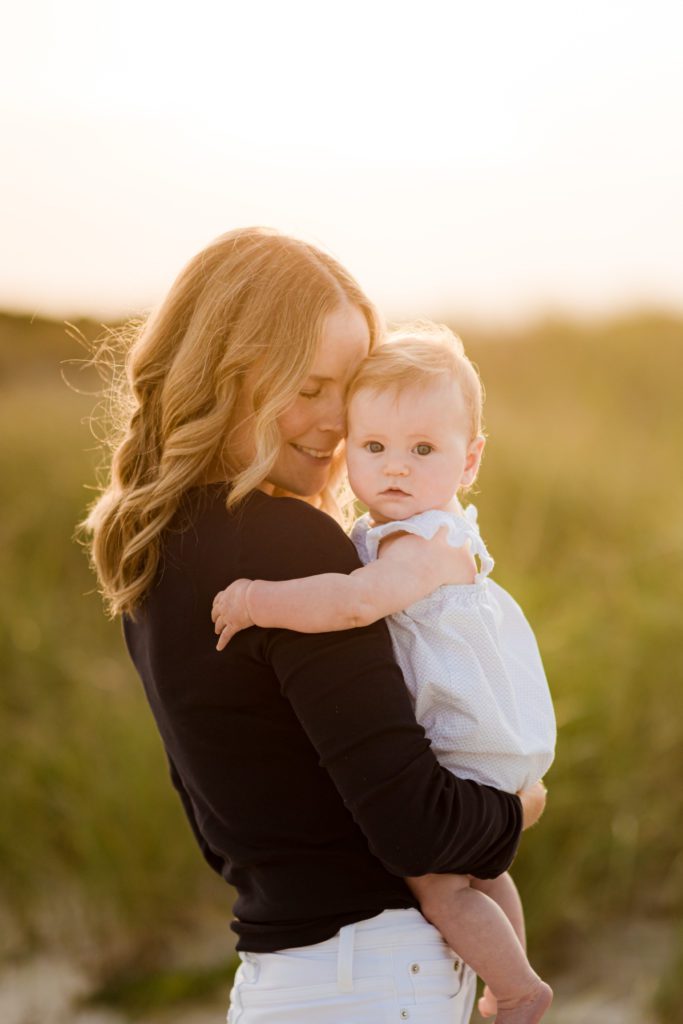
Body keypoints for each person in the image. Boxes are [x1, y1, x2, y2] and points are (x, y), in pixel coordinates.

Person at [83, 227, 545, 1024]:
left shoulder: (148, 555)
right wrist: (517, 809)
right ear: (224, 376)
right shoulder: (287, 545)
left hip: (279, 979)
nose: (335, 420)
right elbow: (417, 832)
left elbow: (225, 826)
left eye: (348, 386)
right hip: (370, 978)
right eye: (307, 386)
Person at [212, 322, 556, 1023]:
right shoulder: (418, 531)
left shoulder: (421, 542)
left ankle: (516, 985)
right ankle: (511, 973)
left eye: (422, 450)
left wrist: (257, 599)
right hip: (490, 733)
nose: (395, 468)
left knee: (439, 884)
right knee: (481, 870)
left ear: (469, 461)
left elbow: (353, 604)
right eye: (373, 448)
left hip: (468, 733)